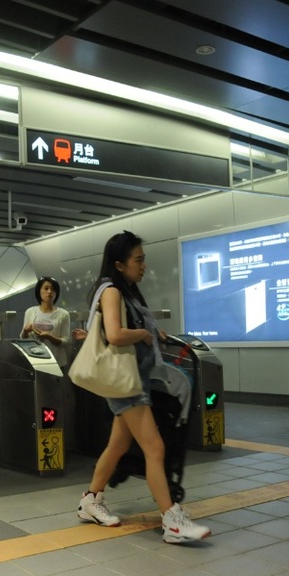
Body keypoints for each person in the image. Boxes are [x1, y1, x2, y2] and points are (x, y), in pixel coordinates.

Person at [76, 230, 211, 544]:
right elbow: (115, 334)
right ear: (119, 264)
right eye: (138, 260)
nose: (143, 265)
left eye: (143, 259)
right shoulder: (112, 291)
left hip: (133, 379)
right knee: (155, 448)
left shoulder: (125, 292)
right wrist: (142, 335)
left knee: (118, 446)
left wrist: (152, 331)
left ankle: (90, 500)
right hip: (127, 383)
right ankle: (172, 521)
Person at [20, 277, 70, 367]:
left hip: (57, 362)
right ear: (39, 291)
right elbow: (24, 339)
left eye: (53, 289)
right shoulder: (30, 312)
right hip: (36, 361)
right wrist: (25, 331)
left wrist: (49, 337)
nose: (49, 292)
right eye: (46, 288)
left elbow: (65, 341)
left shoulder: (63, 314)